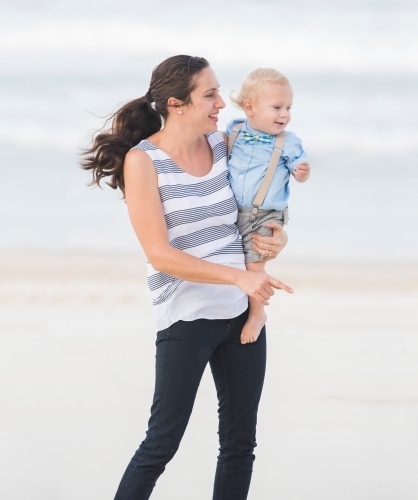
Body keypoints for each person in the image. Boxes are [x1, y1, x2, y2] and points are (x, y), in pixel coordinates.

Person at [81, 55, 292, 500]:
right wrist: (237, 279)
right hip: (186, 314)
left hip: (239, 314)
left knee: (240, 445)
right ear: (177, 103)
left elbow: (255, 204)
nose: (221, 102)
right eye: (210, 94)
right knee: (162, 443)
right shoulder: (144, 161)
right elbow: (160, 255)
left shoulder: (223, 143)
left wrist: (276, 239)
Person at [225, 68, 310, 344]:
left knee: (254, 264)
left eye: (288, 107)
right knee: (232, 259)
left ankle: (257, 314)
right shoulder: (234, 130)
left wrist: (301, 172)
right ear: (249, 107)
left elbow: (299, 166)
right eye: (277, 107)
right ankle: (233, 306)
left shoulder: (288, 142)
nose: (284, 114)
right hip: (232, 211)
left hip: (266, 214)